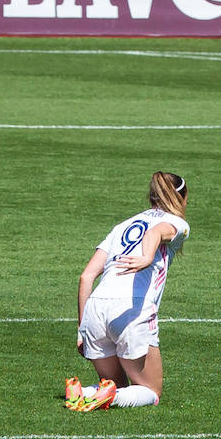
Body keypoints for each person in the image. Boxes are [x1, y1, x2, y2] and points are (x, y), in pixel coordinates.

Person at [65, 172, 190, 411]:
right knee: (151, 391)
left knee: (115, 384)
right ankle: (104, 396)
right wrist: (146, 257)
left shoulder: (122, 226)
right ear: (182, 198)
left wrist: (82, 329)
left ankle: (83, 392)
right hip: (131, 308)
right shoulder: (178, 223)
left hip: (95, 307)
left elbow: (86, 277)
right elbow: (155, 232)